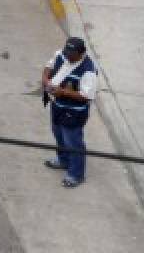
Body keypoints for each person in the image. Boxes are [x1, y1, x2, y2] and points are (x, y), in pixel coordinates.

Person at [41, 37, 96, 188]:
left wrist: (62, 92)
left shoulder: (88, 70)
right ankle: (63, 160)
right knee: (58, 133)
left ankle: (76, 175)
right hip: (57, 105)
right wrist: (45, 80)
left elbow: (86, 95)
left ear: (81, 54)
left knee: (73, 141)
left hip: (74, 112)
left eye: (71, 54)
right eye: (67, 52)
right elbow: (48, 66)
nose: (67, 56)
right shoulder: (61, 54)